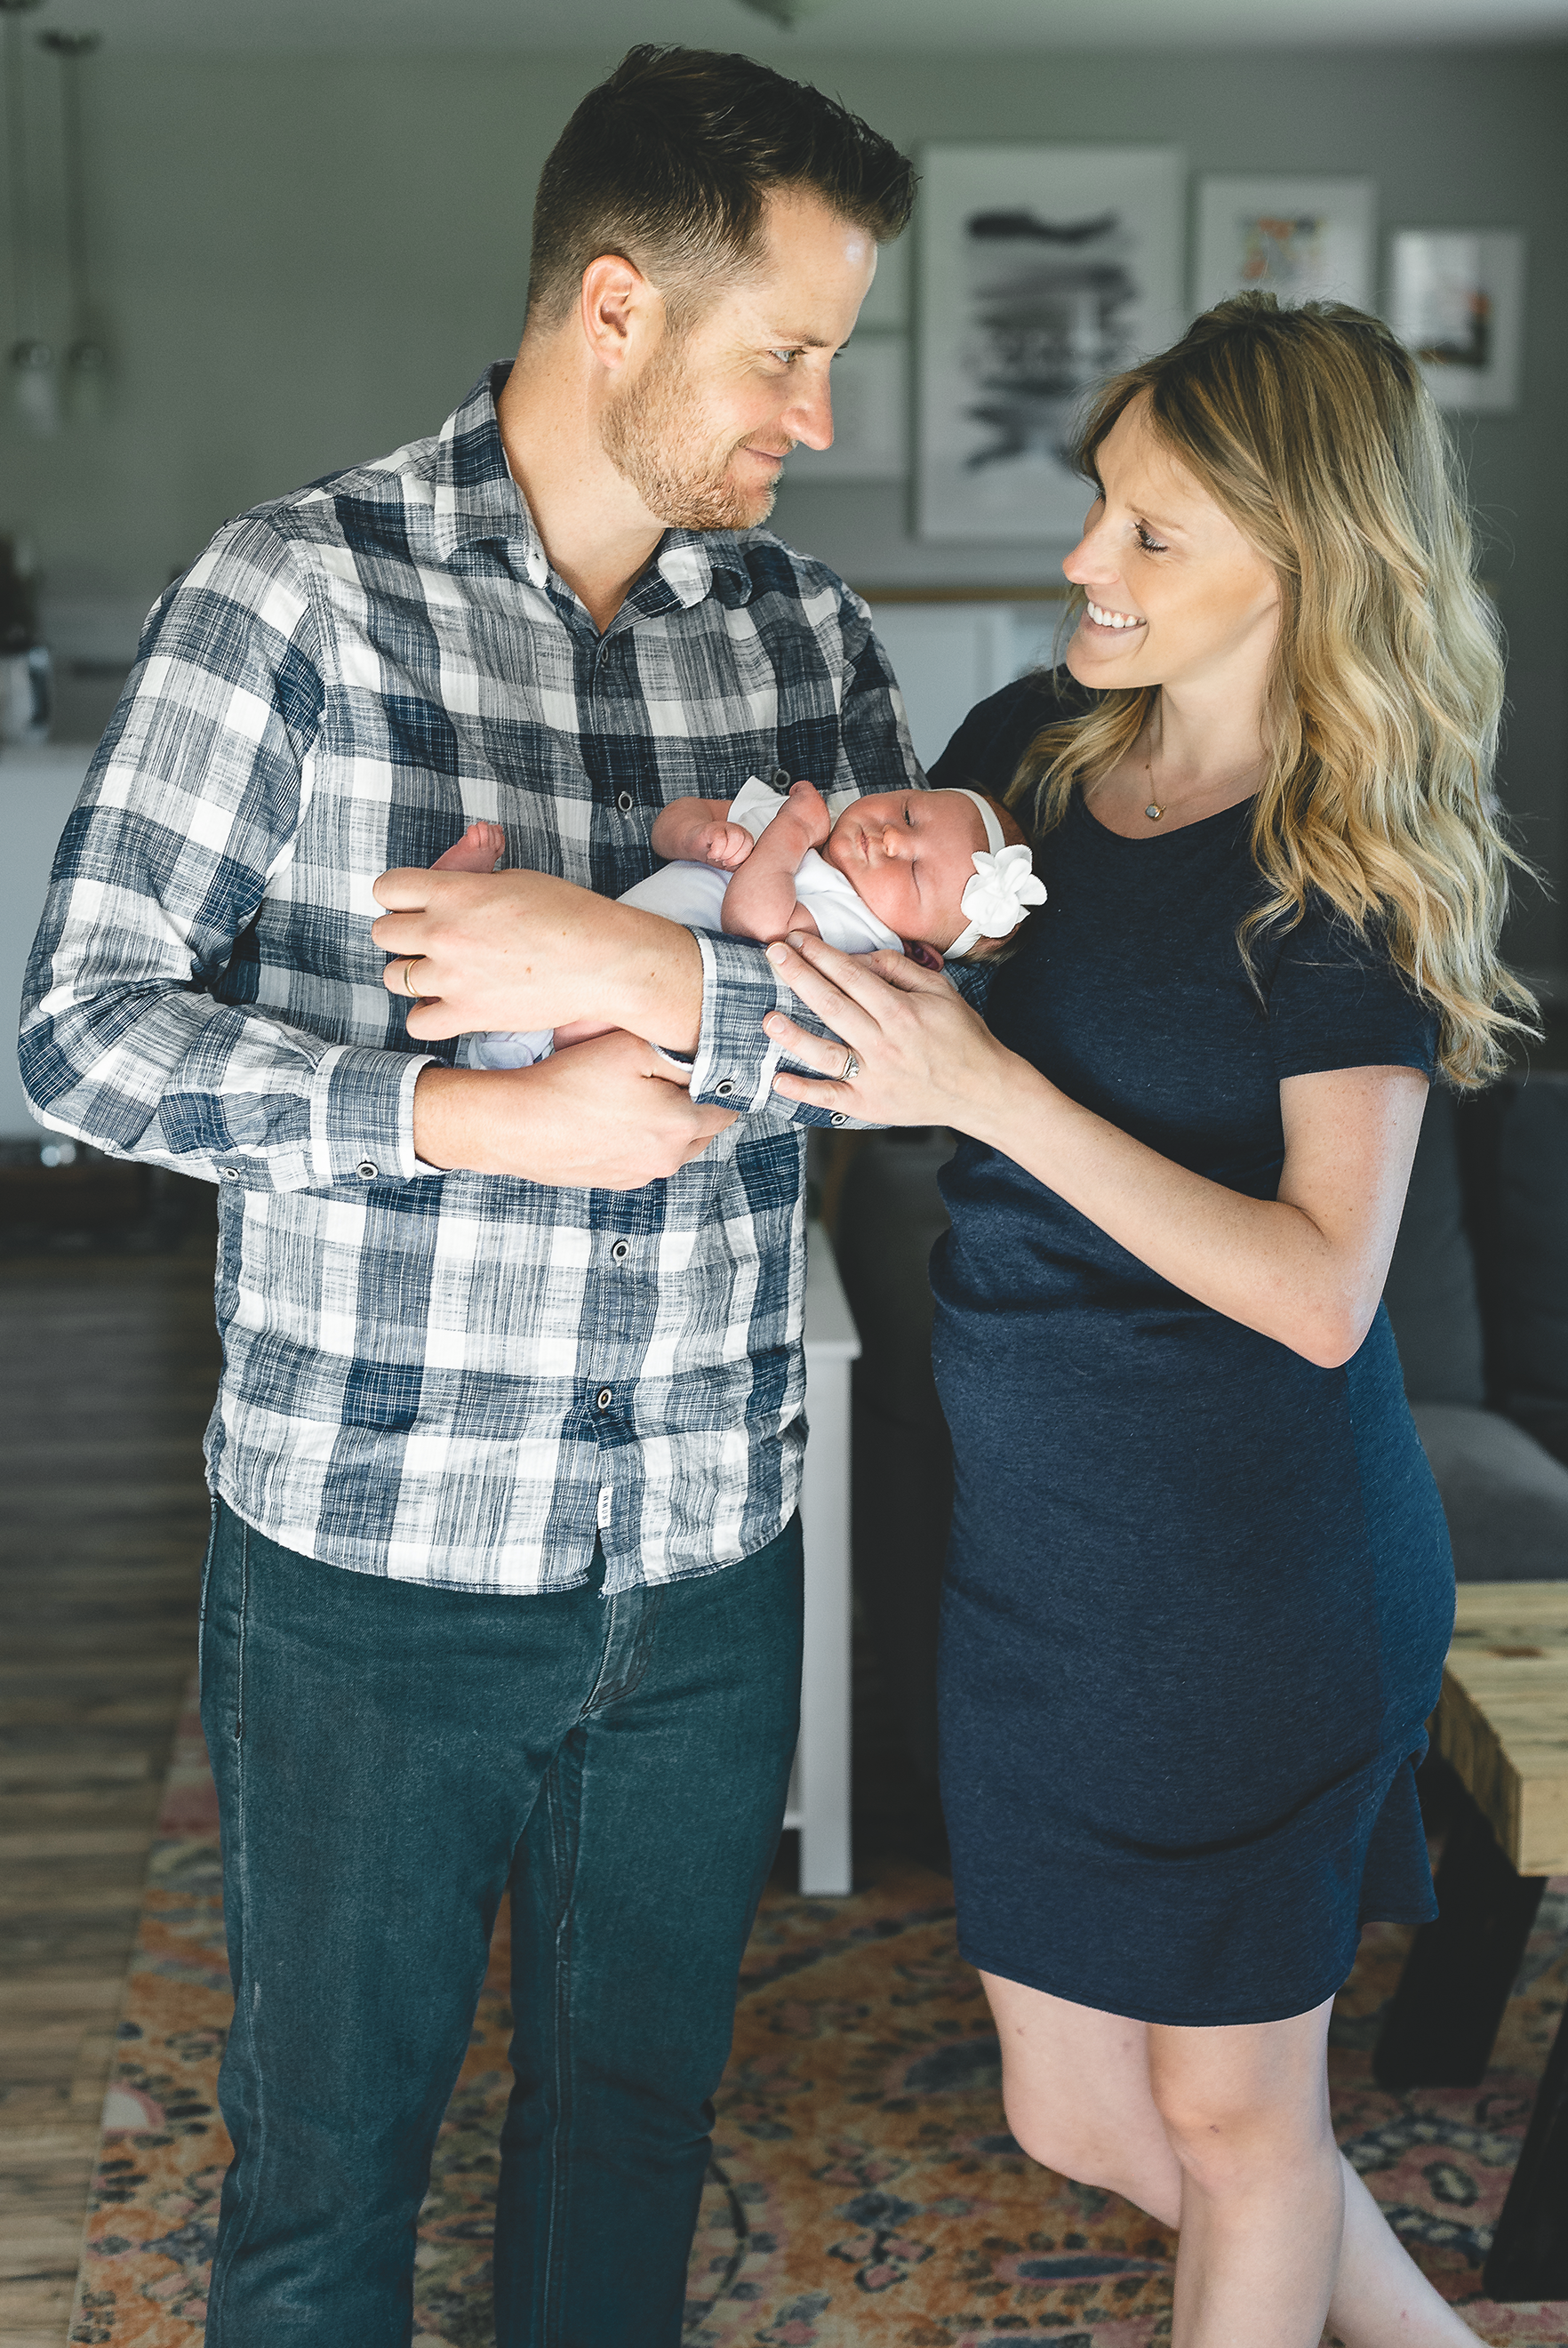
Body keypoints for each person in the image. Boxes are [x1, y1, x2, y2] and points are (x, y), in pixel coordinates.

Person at [19, 45, 926, 2347]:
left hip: (711, 1547)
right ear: (613, 303)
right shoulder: (296, 603)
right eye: (786, 353)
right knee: (326, 2175)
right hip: (371, 1572)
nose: (814, 419)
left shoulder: (802, 641)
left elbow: (904, 1047)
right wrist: (451, 1117)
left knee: (629, 2133)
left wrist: (644, 977)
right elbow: (76, 1034)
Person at [746, 297, 1536, 2346]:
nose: (1086, 559)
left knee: (1239, 2118)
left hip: (1256, 1586)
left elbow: (1318, 1286)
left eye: (1154, 532)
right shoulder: (1040, 753)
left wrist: (988, 1097)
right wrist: (734, 890)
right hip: (1042, 1574)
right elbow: (877, 945)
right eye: (1101, 501)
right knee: (1084, 2112)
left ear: (1311, 563)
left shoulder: (1337, 875)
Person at [426, 780, 1040, 1069]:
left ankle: (452, 933)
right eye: (909, 811)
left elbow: (751, 923)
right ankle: (458, 899)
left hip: (612, 1025)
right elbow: (673, 820)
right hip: (578, 945)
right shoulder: (804, 818)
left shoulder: (857, 937)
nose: (891, 836)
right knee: (522, 918)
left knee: (563, 1015)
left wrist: (790, 833)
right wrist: (696, 833)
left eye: (913, 873)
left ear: (918, 952)